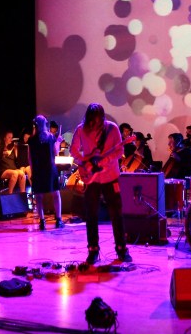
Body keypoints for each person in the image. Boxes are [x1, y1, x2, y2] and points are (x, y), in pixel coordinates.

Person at [69, 103, 132, 264]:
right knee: (91, 214)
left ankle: (121, 248)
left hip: (110, 176)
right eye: (91, 121)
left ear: (102, 118)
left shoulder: (112, 129)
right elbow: (73, 150)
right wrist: (84, 161)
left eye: (97, 121)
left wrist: (106, 160)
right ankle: (93, 250)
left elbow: (120, 151)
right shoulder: (81, 129)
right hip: (92, 179)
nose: (94, 125)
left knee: (116, 213)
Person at [29, 114, 65, 230]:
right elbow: (55, 152)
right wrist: (58, 141)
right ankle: (58, 220)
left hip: (38, 170)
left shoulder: (32, 140)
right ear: (45, 124)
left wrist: (32, 171)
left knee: (39, 197)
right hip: (50, 169)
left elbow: (30, 158)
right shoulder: (50, 137)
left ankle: (42, 222)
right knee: (56, 194)